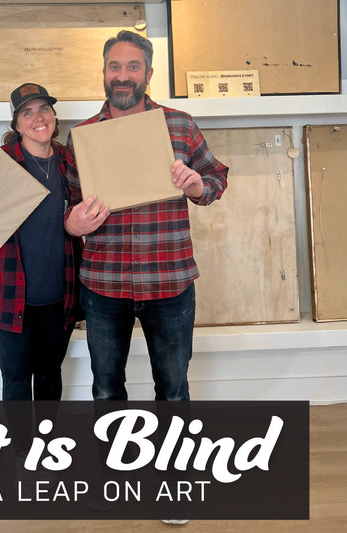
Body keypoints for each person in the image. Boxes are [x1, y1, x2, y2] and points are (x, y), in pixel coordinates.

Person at [65, 31, 228, 403]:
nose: (122, 76)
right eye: (114, 67)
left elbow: (217, 177)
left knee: (173, 391)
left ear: (149, 74)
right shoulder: (83, 136)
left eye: (133, 67)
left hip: (169, 280)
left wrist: (197, 187)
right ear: (104, 72)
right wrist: (72, 223)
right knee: (106, 390)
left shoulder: (180, 125)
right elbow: (69, 205)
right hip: (104, 284)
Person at [0, 82, 82, 402]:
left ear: (54, 116)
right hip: (7, 294)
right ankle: (21, 438)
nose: (39, 117)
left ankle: (47, 436)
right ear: (17, 124)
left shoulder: (70, 162)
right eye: (27, 112)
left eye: (44, 109)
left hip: (58, 295)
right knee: (17, 382)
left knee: (50, 377)